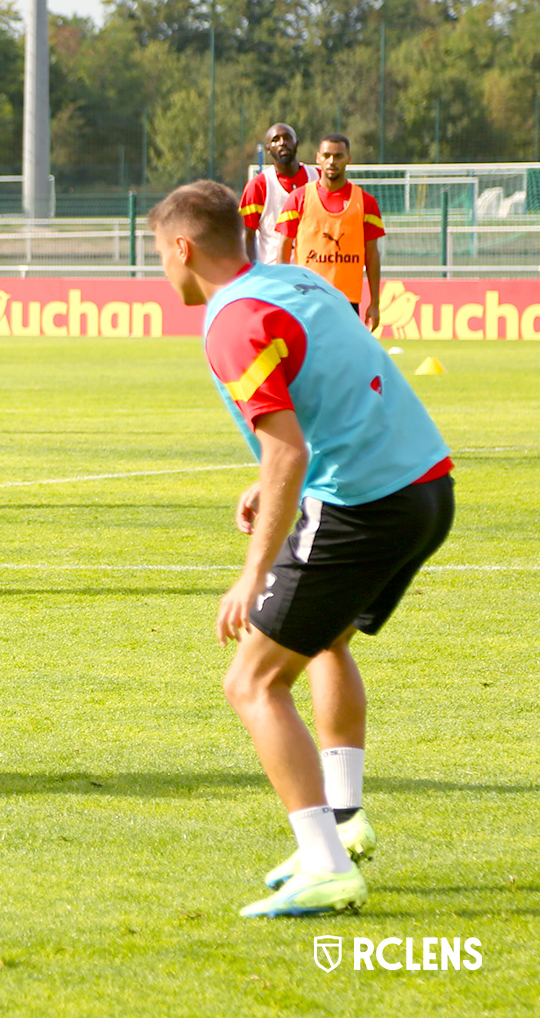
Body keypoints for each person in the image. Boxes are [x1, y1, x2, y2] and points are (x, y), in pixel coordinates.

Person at [151, 180, 454, 918]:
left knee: (251, 682)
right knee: (321, 643)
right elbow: (337, 389)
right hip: (425, 485)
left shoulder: (231, 320)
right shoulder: (289, 279)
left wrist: (253, 574)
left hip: (365, 505)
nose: (161, 269)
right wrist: (276, 481)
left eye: (159, 254)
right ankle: (343, 822)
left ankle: (324, 864)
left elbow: (285, 450)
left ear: (183, 249)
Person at [276, 135, 384, 329]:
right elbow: (284, 247)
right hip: (307, 300)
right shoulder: (298, 198)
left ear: (349, 159)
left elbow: (372, 255)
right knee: (309, 358)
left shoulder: (366, 202)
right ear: (318, 158)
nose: (332, 161)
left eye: (338, 156)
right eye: (326, 155)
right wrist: (283, 292)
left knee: (345, 359)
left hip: (346, 302)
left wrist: (375, 303)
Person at [237, 123, 316, 265]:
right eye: (275, 140)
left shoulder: (318, 178)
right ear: (268, 149)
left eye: (287, 138)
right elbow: (246, 235)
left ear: (296, 143)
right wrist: (253, 273)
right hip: (274, 274)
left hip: (313, 272)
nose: (282, 143)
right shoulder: (258, 186)